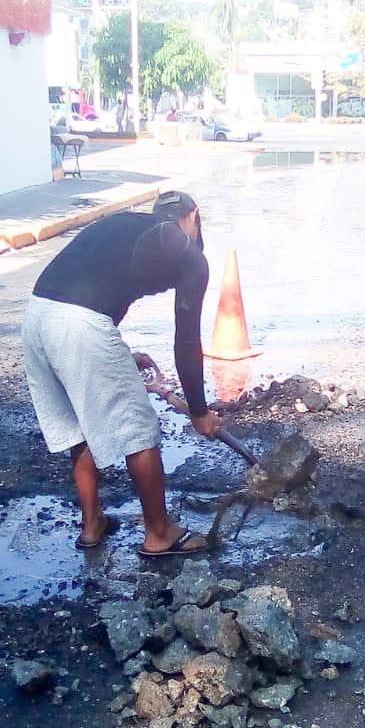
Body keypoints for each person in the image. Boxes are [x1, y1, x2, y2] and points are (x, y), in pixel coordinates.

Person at [23, 191, 222, 557]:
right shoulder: (189, 253)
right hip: (78, 324)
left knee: (79, 425)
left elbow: (103, 289)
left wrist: (119, 353)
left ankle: (92, 523)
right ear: (193, 216)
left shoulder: (123, 224)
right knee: (139, 429)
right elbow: (187, 337)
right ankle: (159, 533)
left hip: (37, 315)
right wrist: (198, 411)